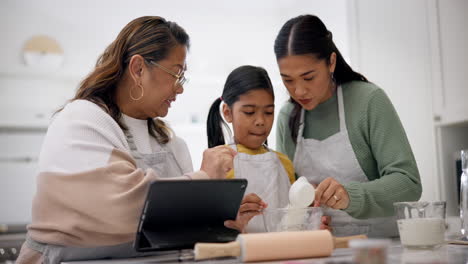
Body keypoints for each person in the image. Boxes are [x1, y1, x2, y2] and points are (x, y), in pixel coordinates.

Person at [16, 16, 240, 264]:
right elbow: (122, 209)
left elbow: (181, 227)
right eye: (176, 74)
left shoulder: (171, 143)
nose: (180, 89)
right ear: (138, 69)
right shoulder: (82, 119)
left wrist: (224, 221)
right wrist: (205, 177)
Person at [274, 15, 422, 237]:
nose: (299, 91)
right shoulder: (287, 117)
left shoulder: (368, 101)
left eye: (308, 77)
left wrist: (350, 196)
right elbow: (289, 198)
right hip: (320, 251)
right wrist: (306, 220)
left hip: (380, 249)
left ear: (331, 62)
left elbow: (408, 183)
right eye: (288, 80)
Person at [207, 65, 330, 233]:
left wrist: (314, 221)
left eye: (268, 112)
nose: (260, 121)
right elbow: (209, 226)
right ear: (228, 112)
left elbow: (296, 216)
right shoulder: (218, 162)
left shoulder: (283, 163)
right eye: (249, 112)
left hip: (283, 253)